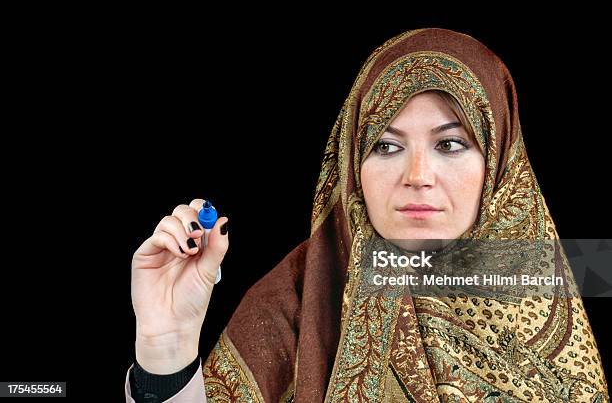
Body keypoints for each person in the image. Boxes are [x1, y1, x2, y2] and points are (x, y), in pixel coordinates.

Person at [125, 28, 609, 402]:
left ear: (501, 164)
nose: (418, 175)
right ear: (352, 169)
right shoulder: (298, 301)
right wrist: (166, 346)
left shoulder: (544, 292)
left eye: (451, 144)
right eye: (385, 145)